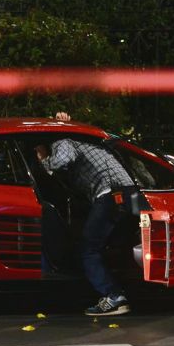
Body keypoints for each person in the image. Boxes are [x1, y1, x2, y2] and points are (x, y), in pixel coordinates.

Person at [35, 112, 137, 316]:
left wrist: (43, 157)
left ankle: (114, 296)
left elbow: (62, 160)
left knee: (88, 249)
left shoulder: (63, 140)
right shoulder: (86, 141)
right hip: (126, 192)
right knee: (113, 242)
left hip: (109, 194)